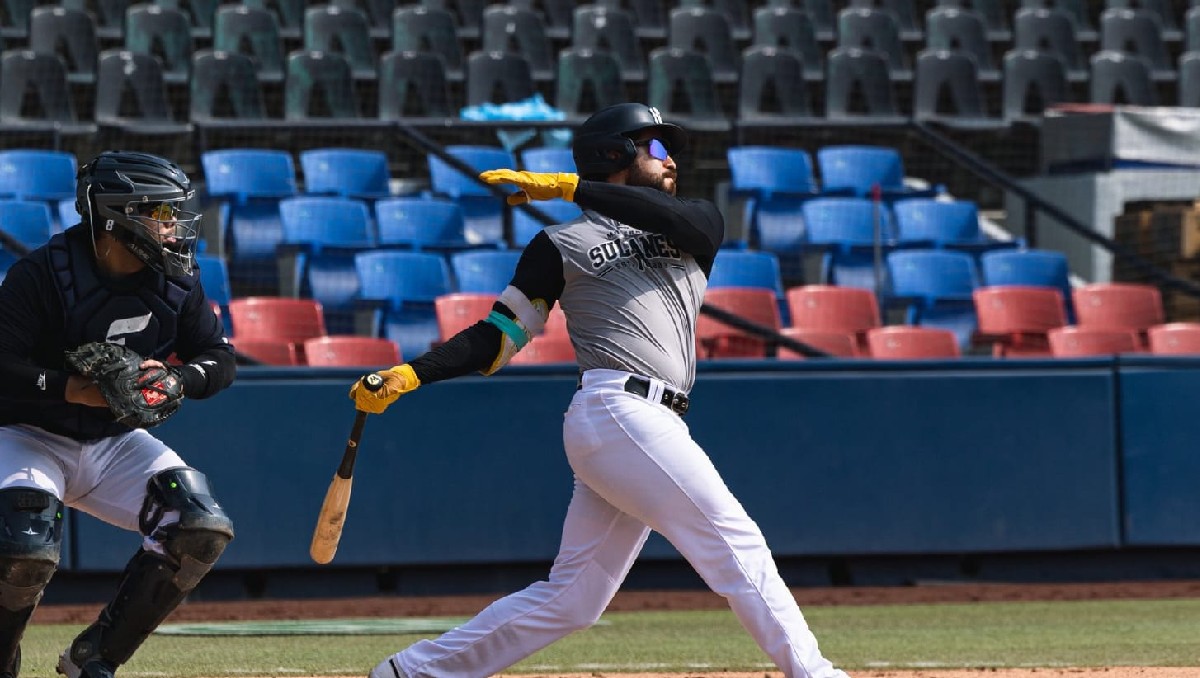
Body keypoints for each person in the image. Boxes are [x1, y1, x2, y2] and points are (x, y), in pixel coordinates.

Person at [351, 103, 850, 678]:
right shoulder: (557, 244)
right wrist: (413, 373)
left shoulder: (694, 221)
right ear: (615, 154)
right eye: (656, 147)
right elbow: (500, 338)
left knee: (574, 598)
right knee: (737, 545)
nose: (670, 161)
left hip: (644, 421)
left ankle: (408, 672)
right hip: (617, 409)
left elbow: (682, 221)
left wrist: (573, 187)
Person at [0, 151, 236, 678]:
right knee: (24, 548)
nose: (173, 227)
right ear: (118, 215)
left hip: (113, 441)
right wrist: (69, 389)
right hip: (25, 433)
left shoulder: (178, 280)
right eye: (160, 214)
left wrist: (180, 379)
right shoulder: (42, 274)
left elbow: (219, 360)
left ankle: (96, 658)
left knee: (199, 525)